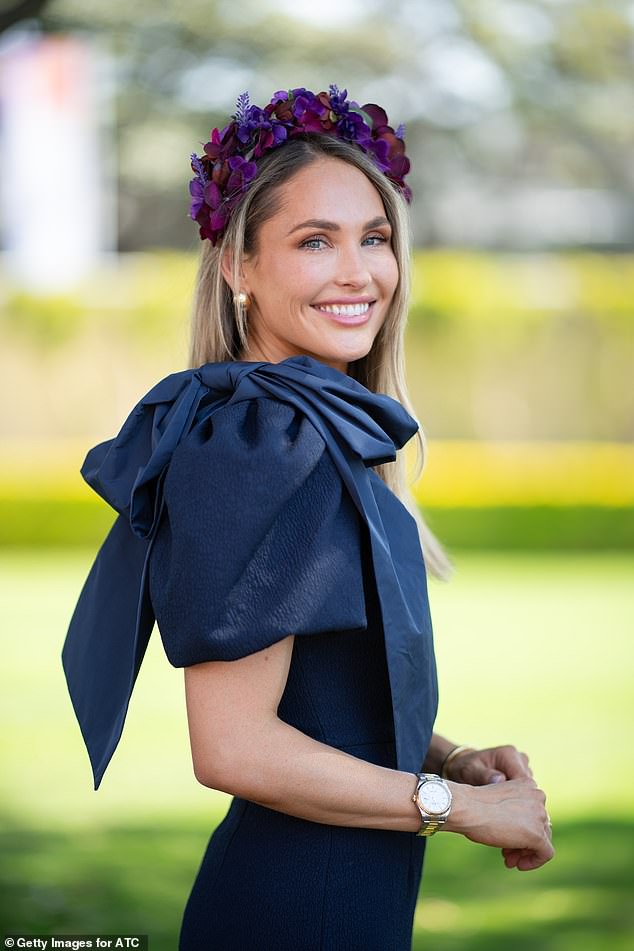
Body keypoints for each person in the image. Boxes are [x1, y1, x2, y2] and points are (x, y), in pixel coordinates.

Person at [62, 85, 554, 951]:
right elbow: (233, 747)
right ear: (237, 267)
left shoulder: (304, 424)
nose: (358, 271)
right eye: (313, 241)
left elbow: (312, 694)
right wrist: (460, 807)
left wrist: (447, 757)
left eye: (374, 237)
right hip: (297, 908)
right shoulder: (263, 437)